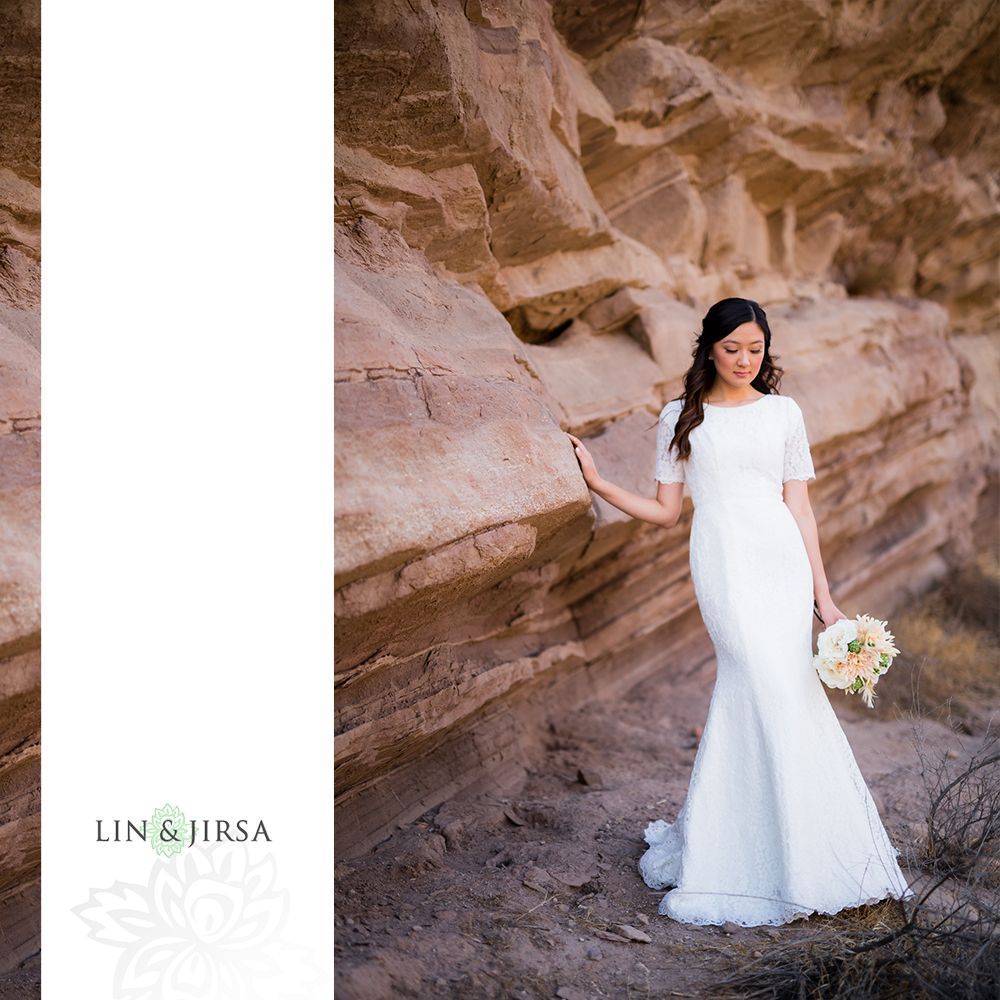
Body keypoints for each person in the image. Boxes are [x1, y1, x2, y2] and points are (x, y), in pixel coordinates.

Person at [567, 298, 909, 927]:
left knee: (789, 692)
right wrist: (600, 485)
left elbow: (799, 508)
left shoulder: (784, 413)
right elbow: (667, 512)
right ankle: (739, 853)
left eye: (755, 348)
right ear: (709, 349)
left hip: (781, 564)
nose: (745, 360)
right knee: (752, 681)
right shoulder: (682, 417)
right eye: (732, 349)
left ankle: (812, 850)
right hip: (722, 566)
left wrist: (823, 598)